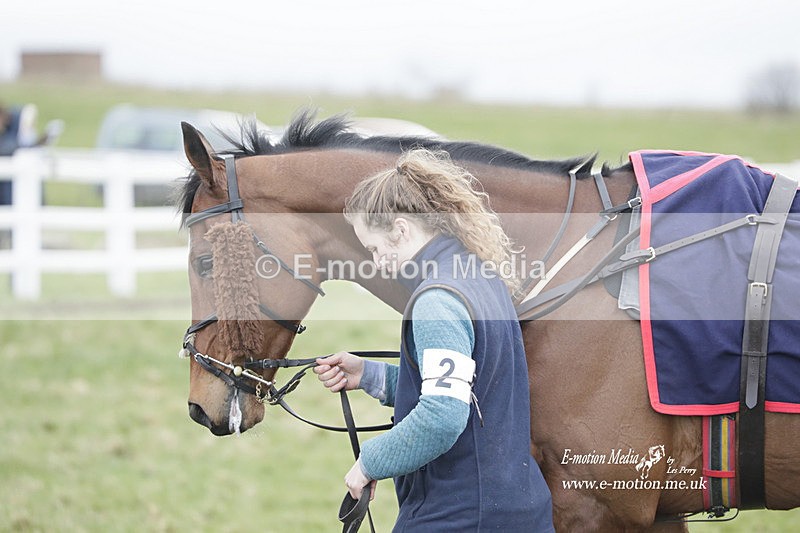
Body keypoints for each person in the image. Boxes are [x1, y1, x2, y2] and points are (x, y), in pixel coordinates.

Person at [313, 148, 554, 532]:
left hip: (460, 517)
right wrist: (371, 376)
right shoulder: (478, 274)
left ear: (401, 230)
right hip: (515, 510)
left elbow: (442, 416)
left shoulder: (436, 301)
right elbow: (469, 387)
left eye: (374, 247)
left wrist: (370, 462)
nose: (375, 261)